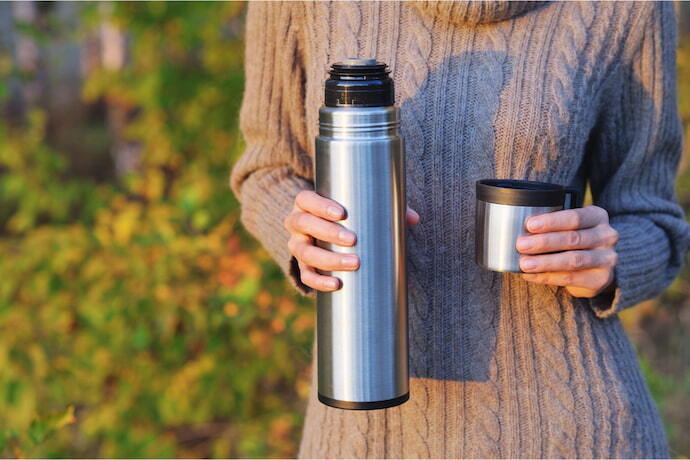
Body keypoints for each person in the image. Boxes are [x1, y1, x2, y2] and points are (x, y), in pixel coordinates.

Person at [231, 1, 690, 458]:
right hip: (362, 422)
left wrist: (608, 258)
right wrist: (306, 234)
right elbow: (268, 169)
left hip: (570, 427)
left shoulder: (631, 9)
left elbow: (655, 220)